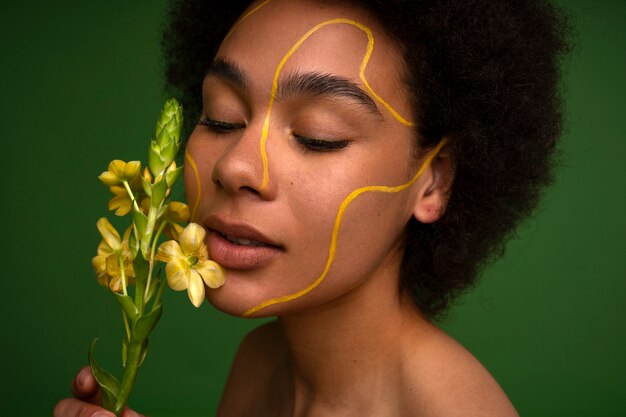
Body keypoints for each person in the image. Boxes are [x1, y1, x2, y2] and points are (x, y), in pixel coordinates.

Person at [55, 0, 571, 415]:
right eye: (222, 118)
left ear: (432, 183)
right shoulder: (260, 363)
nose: (236, 167)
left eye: (317, 136)